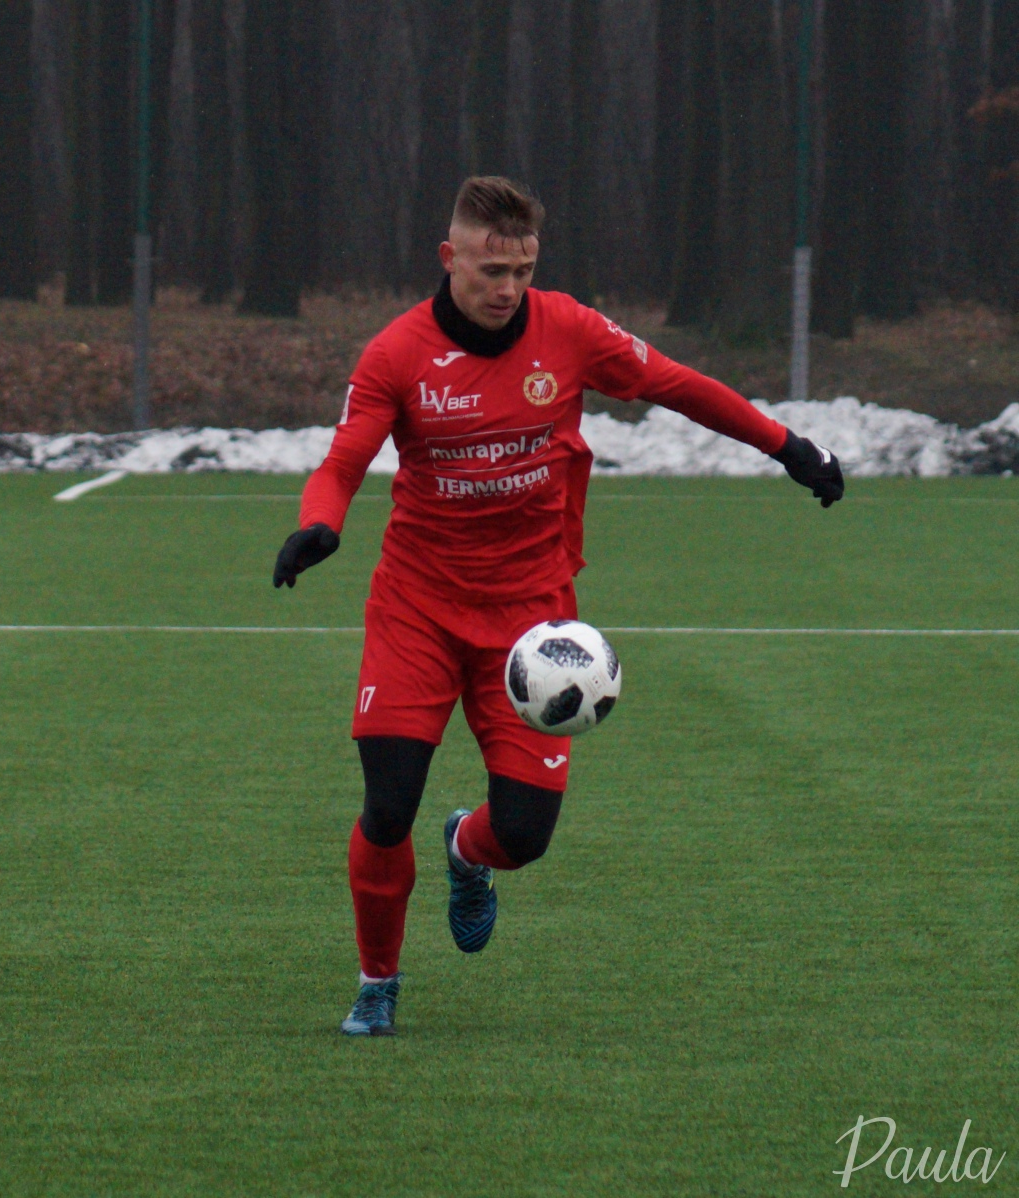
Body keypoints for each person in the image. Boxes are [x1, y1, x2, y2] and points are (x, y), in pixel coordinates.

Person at [272, 178, 844, 1036]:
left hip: (531, 621)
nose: (508, 289)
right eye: (492, 270)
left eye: (524, 271)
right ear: (450, 259)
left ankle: (467, 850)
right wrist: (320, 524)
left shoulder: (570, 330)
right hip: (418, 608)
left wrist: (787, 446)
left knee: (524, 837)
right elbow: (344, 458)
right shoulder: (397, 353)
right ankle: (377, 982)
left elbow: (677, 385)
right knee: (387, 805)